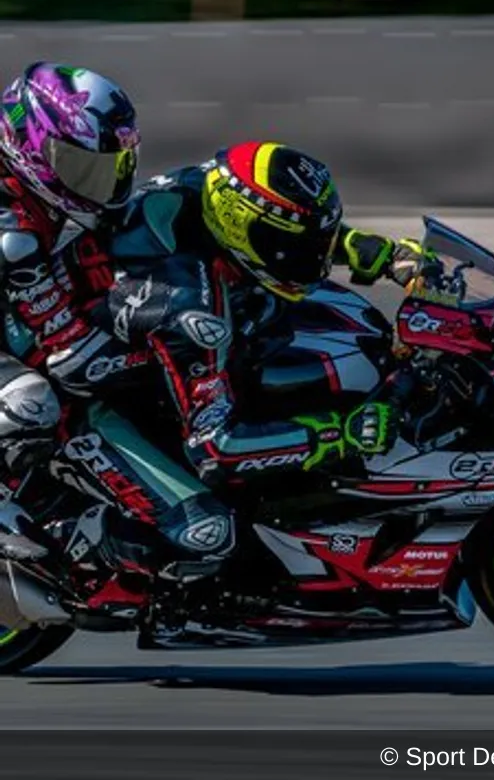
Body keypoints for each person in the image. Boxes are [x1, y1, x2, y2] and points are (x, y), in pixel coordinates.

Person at [46, 141, 437, 617]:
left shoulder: (212, 187)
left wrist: (362, 246)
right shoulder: (191, 308)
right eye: (290, 248)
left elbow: (291, 229)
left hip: (144, 347)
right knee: (207, 534)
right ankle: (74, 546)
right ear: (244, 230)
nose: (304, 258)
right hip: (92, 403)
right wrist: (340, 432)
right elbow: (217, 449)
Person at [0, 62, 139, 506]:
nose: (101, 184)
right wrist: (149, 355)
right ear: (32, 148)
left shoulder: (26, 190)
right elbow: (67, 352)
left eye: (111, 166)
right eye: (81, 166)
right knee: (36, 402)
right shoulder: (13, 235)